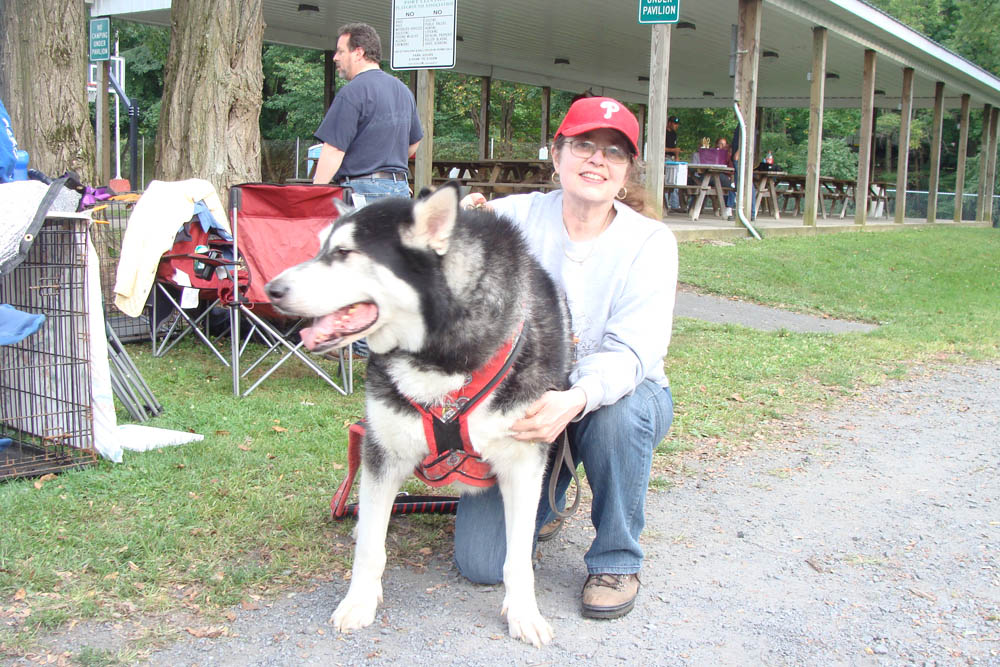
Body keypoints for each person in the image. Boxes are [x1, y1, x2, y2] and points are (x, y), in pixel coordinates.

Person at [456, 97, 677, 620]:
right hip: (526, 404)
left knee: (617, 417)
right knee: (481, 563)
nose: (596, 160)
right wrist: (461, 221)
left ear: (626, 172)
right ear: (557, 156)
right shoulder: (514, 217)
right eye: (583, 145)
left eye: (613, 152)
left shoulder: (650, 241)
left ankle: (616, 559)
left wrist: (573, 401)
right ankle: (547, 495)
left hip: (613, 398)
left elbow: (632, 353)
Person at [311, 23, 423, 204]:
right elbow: (415, 142)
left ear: (358, 52)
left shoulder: (352, 92)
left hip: (362, 192)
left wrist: (312, 196)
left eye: (341, 51)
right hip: (400, 190)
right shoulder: (403, 91)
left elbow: (333, 150)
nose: (335, 58)